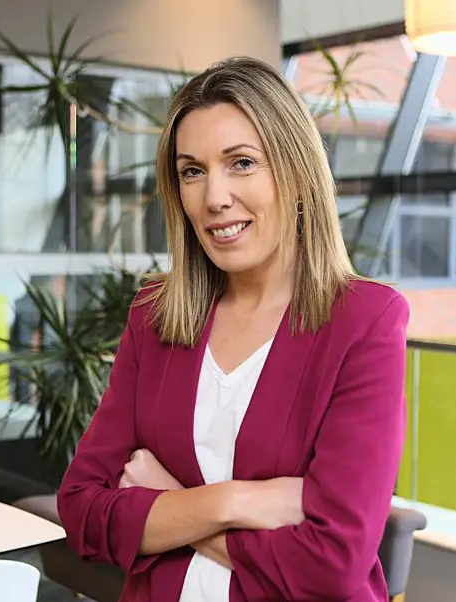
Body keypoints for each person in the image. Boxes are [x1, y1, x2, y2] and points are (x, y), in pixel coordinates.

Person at [56, 55, 410, 601]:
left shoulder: (364, 321)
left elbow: (333, 565)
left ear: (296, 175)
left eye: (241, 163)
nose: (214, 198)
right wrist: (233, 502)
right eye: (192, 171)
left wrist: (168, 505)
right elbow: (82, 507)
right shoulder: (155, 317)